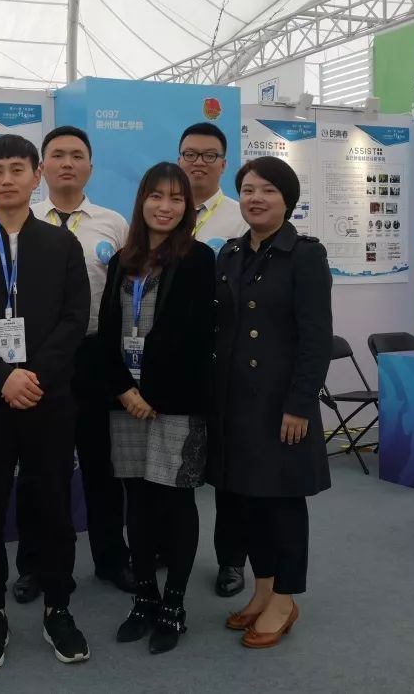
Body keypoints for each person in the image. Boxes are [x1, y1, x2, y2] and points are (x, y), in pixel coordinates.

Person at [0, 134, 91, 669]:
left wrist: (33, 376)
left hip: (49, 398)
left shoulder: (62, 245)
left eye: (16, 169)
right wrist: (3, 377)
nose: (6, 179)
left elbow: (75, 319)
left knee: (51, 504)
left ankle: (58, 608)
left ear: (36, 176)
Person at [210, 155, 332, 649]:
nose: (255, 198)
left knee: (282, 503)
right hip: (235, 405)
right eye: (247, 190)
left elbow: (316, 339)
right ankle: (262, 590)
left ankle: (285, 598)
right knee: (246, 502)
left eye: (267, 190)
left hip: (281, 407)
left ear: (287, 200)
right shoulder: (231, 254)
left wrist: (300, 404)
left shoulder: (305, 255)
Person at [97, 162, 216, 654]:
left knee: (176, 502)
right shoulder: (122, 261)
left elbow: (198, 339)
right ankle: (144, 597)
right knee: (139, 503)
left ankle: (174, 604)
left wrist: (154, 397)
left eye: (176, 199)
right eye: (156, 196)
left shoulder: (198, 259)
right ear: (142, 200)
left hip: (175, 403)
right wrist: (125, 390)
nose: (165, 207)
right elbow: (106, 332)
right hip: (126, 403)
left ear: (187, 207)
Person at [11, 126, 132, 604]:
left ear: (90, 168)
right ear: (42, 168)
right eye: (57, 155)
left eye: (77, 155)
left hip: (95, 355)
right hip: (38, 359)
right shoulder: (20, 220)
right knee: (39, 466)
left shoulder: (113, 224)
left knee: (103, 465)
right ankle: (34, 565)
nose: (67, 163)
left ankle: (111, 558)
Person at [177, 121, 250, 599]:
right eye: (190, 154)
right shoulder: (163, 211)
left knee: (228, 469)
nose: (198, 163)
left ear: (223, 164)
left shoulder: (241, 218)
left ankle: (231, 560)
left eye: (208, 155)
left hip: (226, 363)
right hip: (175, 363)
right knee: (172, 462)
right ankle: (168, 547)